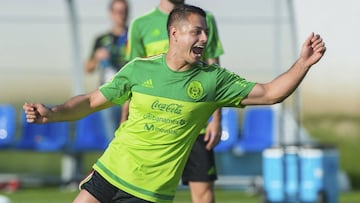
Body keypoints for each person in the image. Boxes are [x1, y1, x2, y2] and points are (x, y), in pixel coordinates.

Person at [23, 4, 326, 203]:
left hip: (148, 192)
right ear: (174, 33)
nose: (205, 38)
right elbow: (90, 100)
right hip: (108, 172)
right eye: (197, 31)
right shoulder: (139, 69)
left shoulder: (213, 80)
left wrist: (303, 63)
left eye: (206, 31)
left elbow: (271, 92)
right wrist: (52, 113)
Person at [124, 1, 223, 202]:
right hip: (154, 127)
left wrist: (216, 119)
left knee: (204, 195)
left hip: (197, 126)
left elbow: (215, 73)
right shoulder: (141, 24)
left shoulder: (205, 19)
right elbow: (132, 79)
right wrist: (124, 119)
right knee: (142, 193)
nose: (201, 37)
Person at [84, 0, 129, 138]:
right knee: (112, 139)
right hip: (107, 95)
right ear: (111, 14)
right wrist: (97, 57)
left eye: (124, 12)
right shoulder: (101, 39)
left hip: (128, 95)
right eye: (117, 12)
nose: (120, 15)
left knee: (127, 137)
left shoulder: (133, 36)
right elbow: (88, 68)